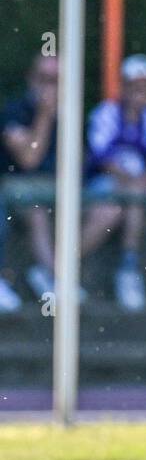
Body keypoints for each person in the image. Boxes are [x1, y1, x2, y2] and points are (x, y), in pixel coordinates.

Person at [84, 54, 146, 311]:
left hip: (141, 189)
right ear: (123, 85)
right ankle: (126, 267)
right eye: (134, 85)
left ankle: (127, 267)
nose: (139, 92)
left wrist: (140, 181)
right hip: (104, 185)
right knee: (110, 210)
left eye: (144, 86)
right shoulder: (106, 113)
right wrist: (134, 180)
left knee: (131, 199)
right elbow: (103, 159)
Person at [1, 53, 60, 312]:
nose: (49, 87)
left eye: (56, 81)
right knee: (35, 210)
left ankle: (54, 271)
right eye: (44, 79)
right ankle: (54, 277)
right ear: (31, 78)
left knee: (109, 206)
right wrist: (45, 116)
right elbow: (29, 159)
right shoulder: (14, 111)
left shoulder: (71, 115)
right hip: (16, 190)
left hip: (54, 190)